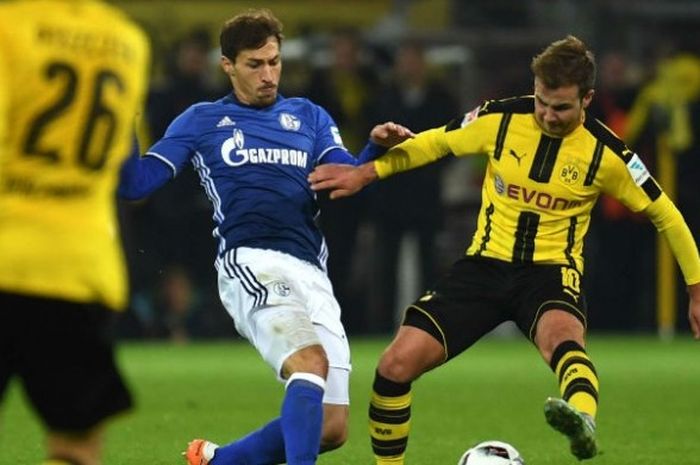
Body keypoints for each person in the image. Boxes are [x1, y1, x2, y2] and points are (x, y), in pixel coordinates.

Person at [309, 35, 700, 462]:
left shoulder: (608, 155)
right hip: (484, 267)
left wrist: (696, 289)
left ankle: (582, 420)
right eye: (542, 102)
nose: (548, 115)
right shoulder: (500, 118)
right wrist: (367, 172)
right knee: (393, 366)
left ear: (587, 98)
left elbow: (668, 215)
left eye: (562, 108)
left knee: (564, 342)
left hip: (549, 273)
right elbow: (434, 142)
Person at [117, 8, 413, 465]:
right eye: (255, 64)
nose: (268, 74)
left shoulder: (309, 117)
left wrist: (374, 149)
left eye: (274, 61)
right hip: (252, 261)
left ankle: (218, 461)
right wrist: (123, 127)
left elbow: (343, 177)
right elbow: (136, 185)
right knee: (310, 365)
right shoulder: (201, 120)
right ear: (228, 65)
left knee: (332, 427)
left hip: (311, 270)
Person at [0, 1, 150, 465]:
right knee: (76, 443)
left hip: (7, 252)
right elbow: (127, 167)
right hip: (81, 266)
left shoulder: (10, 26)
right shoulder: (127, 41)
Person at [366, 39, 459, 332]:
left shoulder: (442, 99)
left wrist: (430, 171)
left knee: (430, 265)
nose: (409, 67)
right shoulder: (382, 97)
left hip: (425, 196)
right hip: (389, 194)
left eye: (414, 60)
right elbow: (371, 141)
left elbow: (454, 141)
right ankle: (380, 327)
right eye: (405, 60)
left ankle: (427, 324)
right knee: (385, 267)